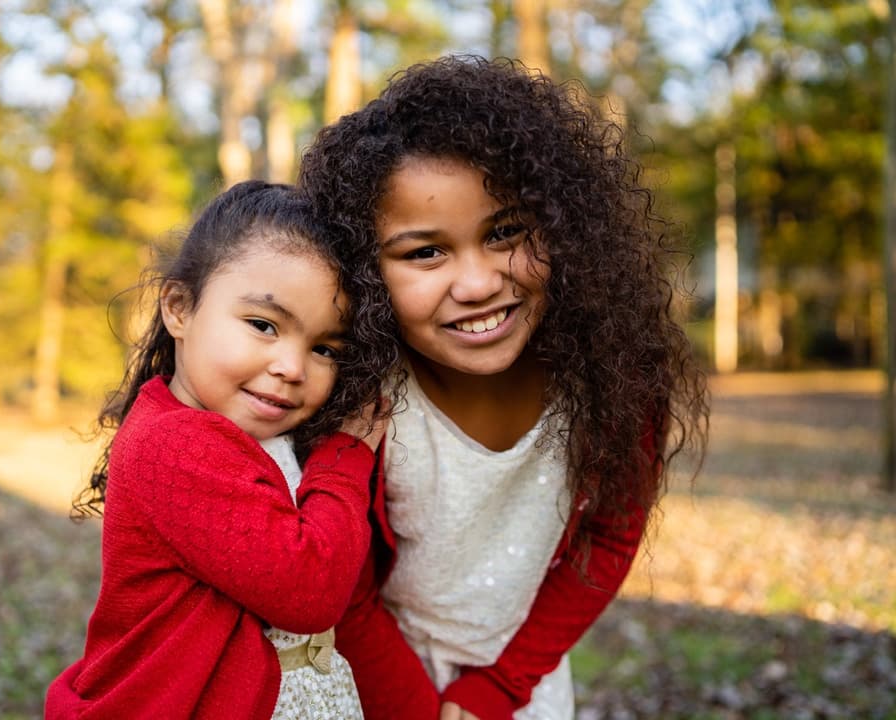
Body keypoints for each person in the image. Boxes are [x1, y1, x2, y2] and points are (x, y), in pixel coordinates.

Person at [298, 55, 710, 720]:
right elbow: (337, 580)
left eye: (506, 232)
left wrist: (499, 688)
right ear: (362, 270)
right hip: (365, 682)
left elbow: (607, 538)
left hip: (520, 682)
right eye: (425, 252)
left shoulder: (611, 370)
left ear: (563, 226)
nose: (479, 282)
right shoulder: (359, 395)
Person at [45, 181, 398, 720]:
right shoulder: (174, 444)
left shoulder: (258, 434)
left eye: (325, 348)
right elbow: (310, 588)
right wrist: (347, 453)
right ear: (180, 308)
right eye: (263, 325)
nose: (292, 367)